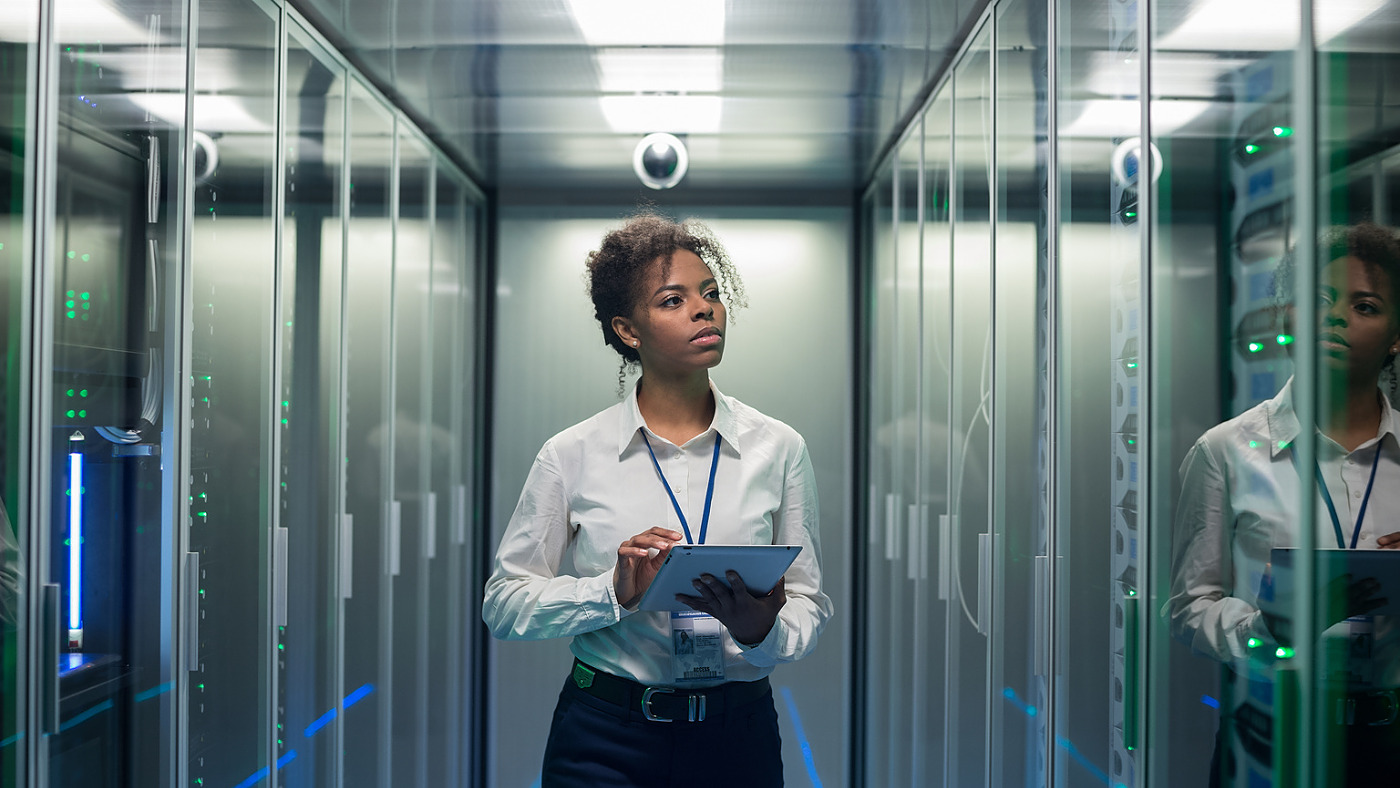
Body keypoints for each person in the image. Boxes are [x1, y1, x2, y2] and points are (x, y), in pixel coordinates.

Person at [483, 213, 831, 787]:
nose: (705, 309)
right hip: (604, 737)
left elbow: (810, 605)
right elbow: (505, 604)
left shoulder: (780, 447)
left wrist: (760, 628)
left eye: (711, 294)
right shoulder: (571, 453)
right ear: (628, 330)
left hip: (735, 736)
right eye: (674, 300)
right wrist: (612, 593)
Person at [1166, 222, 1400, 787]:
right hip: (1272, 734)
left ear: (1397, 336)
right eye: (1317, 299)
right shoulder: (1226, 451)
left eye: (1364, 305)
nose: (1335, 317)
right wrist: (1274, 629)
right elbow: (1188, 609)